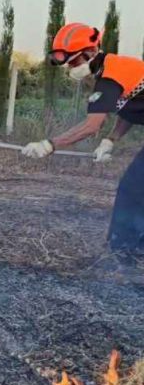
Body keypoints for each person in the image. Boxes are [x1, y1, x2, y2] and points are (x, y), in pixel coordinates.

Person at [22, 22, 144, 261]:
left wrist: (49, 145)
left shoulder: (110, 77)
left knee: (133, 188)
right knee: (136, 187)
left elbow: (91, 125)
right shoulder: (115, 69)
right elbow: (131, 109)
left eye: (74, 61)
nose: (71, 67)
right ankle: (132, 248)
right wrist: (111, 139)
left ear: (90, 53)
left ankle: (123, 254)